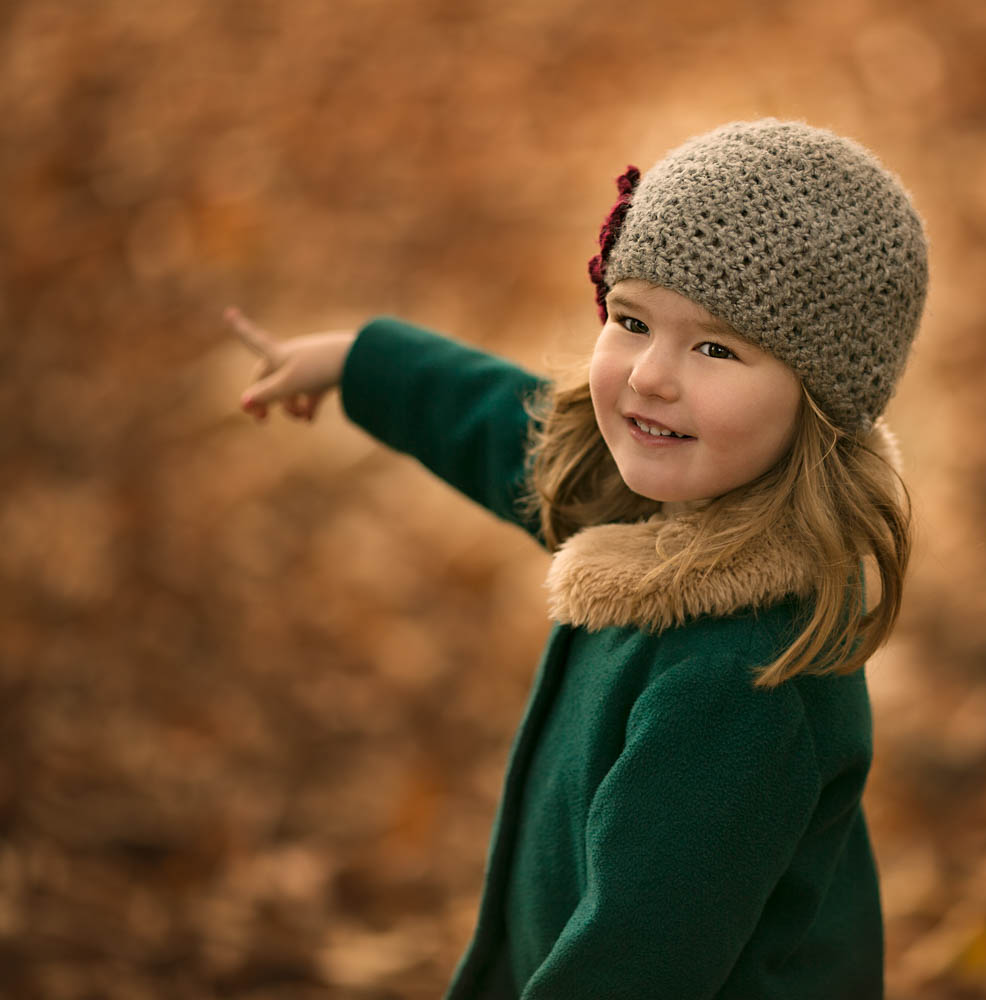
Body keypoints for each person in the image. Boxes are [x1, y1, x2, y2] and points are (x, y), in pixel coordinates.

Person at [227, 118, 929, 1000]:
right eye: (631, 320)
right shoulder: (668, 481)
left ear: (822, 400)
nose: (649, 377)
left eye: (715, 347)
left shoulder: (743, 687)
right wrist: (353, 361)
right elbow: (502, 428)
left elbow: (632, 966)